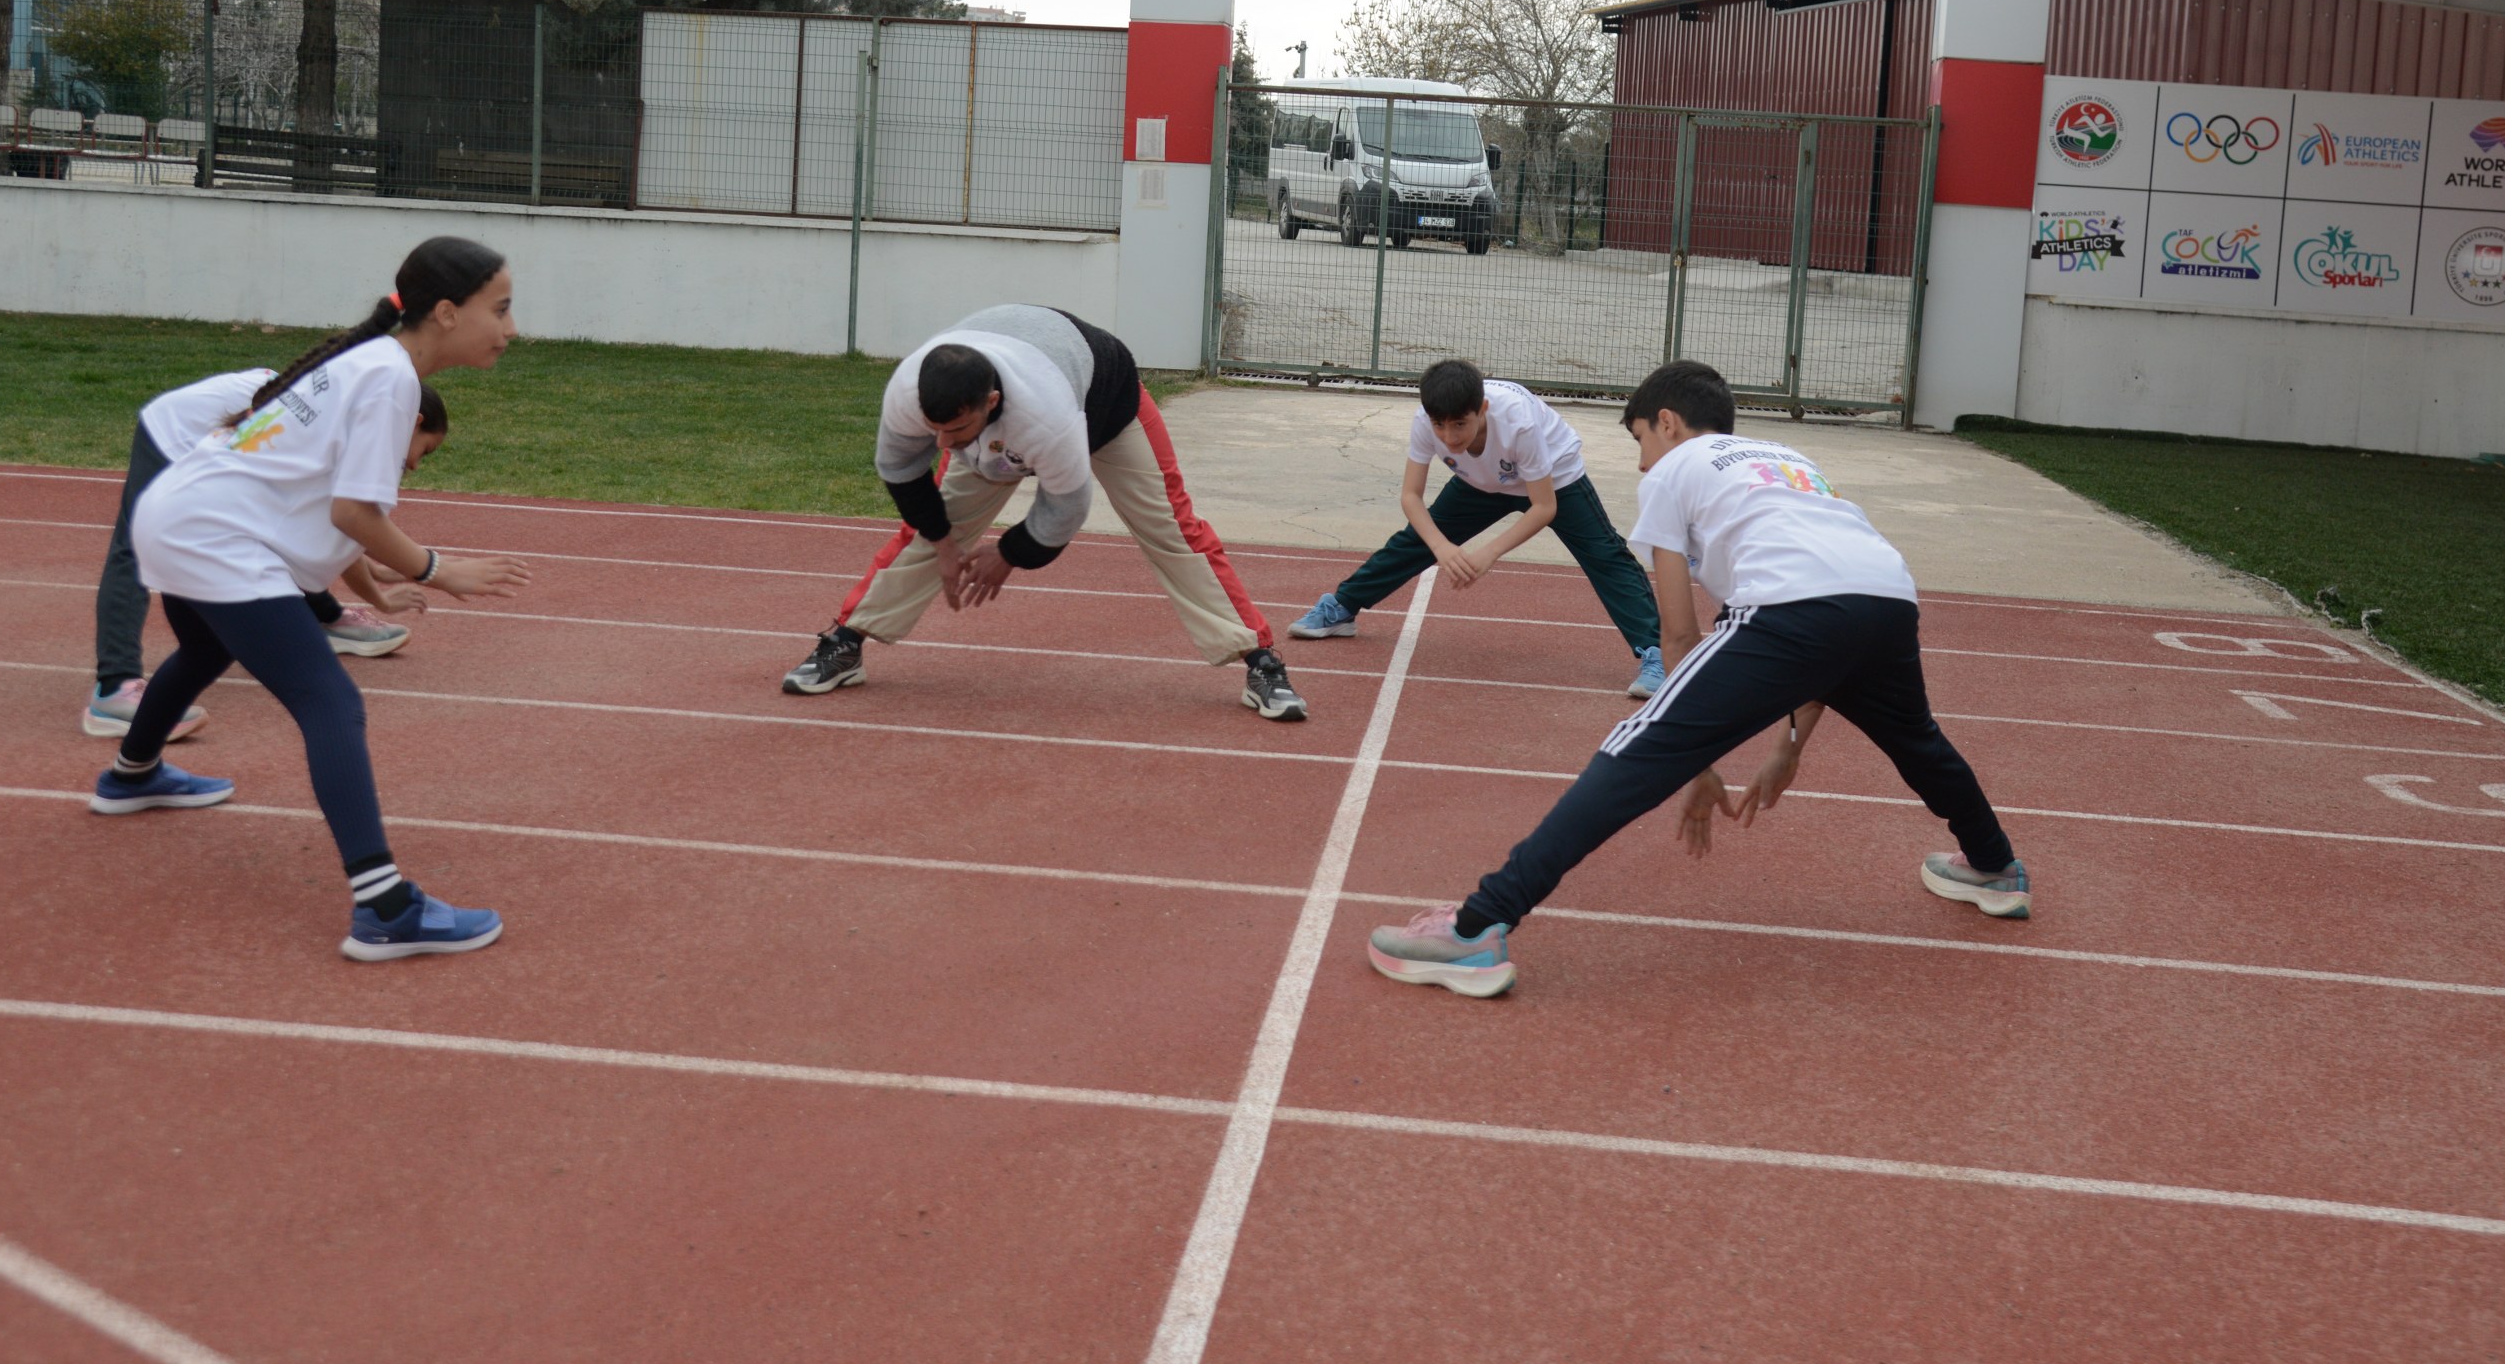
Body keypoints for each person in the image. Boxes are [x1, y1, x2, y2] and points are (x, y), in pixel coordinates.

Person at [1366, 359, 2028, 999]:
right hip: (1887, 596)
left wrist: (1690, 753)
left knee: (1633, 753)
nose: (1640, 463)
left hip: (1791, 608)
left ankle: (1474, 929)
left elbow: (1679, 632)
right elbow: (1832, 635)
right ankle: (1994, 866)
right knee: (1917, 740)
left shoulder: (1672, 471)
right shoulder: (1789, 459)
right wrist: (1785, 748)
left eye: (1639, 440)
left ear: (1667, 422)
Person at [93, 237, 532, 962]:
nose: (512, 328)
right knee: (332, 704)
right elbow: (354, 514)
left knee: (205, 647)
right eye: (503, 309)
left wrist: (381, 590)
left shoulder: (371, 363)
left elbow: (331, 510)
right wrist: (438, 570)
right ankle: (385, 907)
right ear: (448, 313)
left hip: (178, 515)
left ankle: (131, 774)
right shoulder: (390, 380)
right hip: (212, 534)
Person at [781, 304, 1310, 722]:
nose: (941, 443)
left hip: (1107, 405)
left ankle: (1261, 662)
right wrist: (944, 542)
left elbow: (1068, 505)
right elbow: (901, 472)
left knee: (1173, 529)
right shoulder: (909, 391)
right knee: (926, 532)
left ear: (990, 402)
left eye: (955, 431)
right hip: (1023, 393)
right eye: (933, 430)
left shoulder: (1044, 419)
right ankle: (846, 643)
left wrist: (1010, 553)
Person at [85, 369, 445, 737]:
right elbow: (345, 519)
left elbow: (324, 520)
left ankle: (326, 618)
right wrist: (380, 596)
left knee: (273, 528)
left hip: (221, 445)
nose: (415, 465)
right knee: (133, 550)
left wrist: (377, 571)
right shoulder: (337, 425)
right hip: (176, 433)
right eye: (425, 450)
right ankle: (114, 689)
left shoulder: (354, 420)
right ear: (414, 422)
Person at [1287, 359, 1667, 698]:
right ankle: (1342, 607)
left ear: (1482, 409)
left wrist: (1489, 553)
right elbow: (1410, 497)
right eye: (1440, 426)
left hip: (1553, 480)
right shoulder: (1425, 421)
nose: (1449, 437)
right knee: (1415, 541)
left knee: (1605, 555)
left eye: (1460, 425)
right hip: (1481, 481)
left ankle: (1658, 653)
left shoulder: (1518, 422)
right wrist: (1441, 547)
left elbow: (1544, 507)